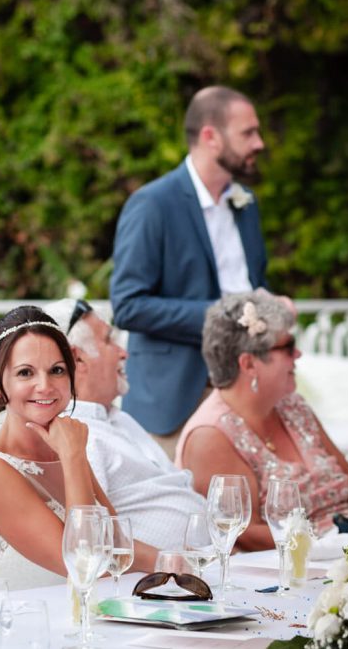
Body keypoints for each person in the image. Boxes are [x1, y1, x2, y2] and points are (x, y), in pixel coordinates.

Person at [0, 306, 157, 596]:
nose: (45, 386)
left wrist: (178, 563)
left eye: (56, 370)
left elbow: (116, 543)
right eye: (25, 373)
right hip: (18, 629)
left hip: (83, 617)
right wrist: (74, 457)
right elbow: (84, 565)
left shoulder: (64, 444)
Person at [110, 85, 273, 459]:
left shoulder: (246, 205)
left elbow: (254, 285)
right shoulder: (153, 204)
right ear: (210, 137)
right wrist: (229, 313)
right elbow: (129, 306)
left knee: (234, 511)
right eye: (248, 132)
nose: (259, 143)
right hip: (173, 403)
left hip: (242, 397)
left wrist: (267, 307)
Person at [175, 292, 348, 551]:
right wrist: (328, 546)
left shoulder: (293, 405)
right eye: (288, 346)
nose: (298, 354)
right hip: (287, 569)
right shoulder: (210, 435)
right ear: (249, 363)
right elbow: (242, 532)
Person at [43, 298, 206, 549]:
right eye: (109, 340)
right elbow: (90, 539)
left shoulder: (118, 418)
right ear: (78, 360)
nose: (123, 352)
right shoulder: (76, 435)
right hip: (153, 578)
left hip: (201, 564)